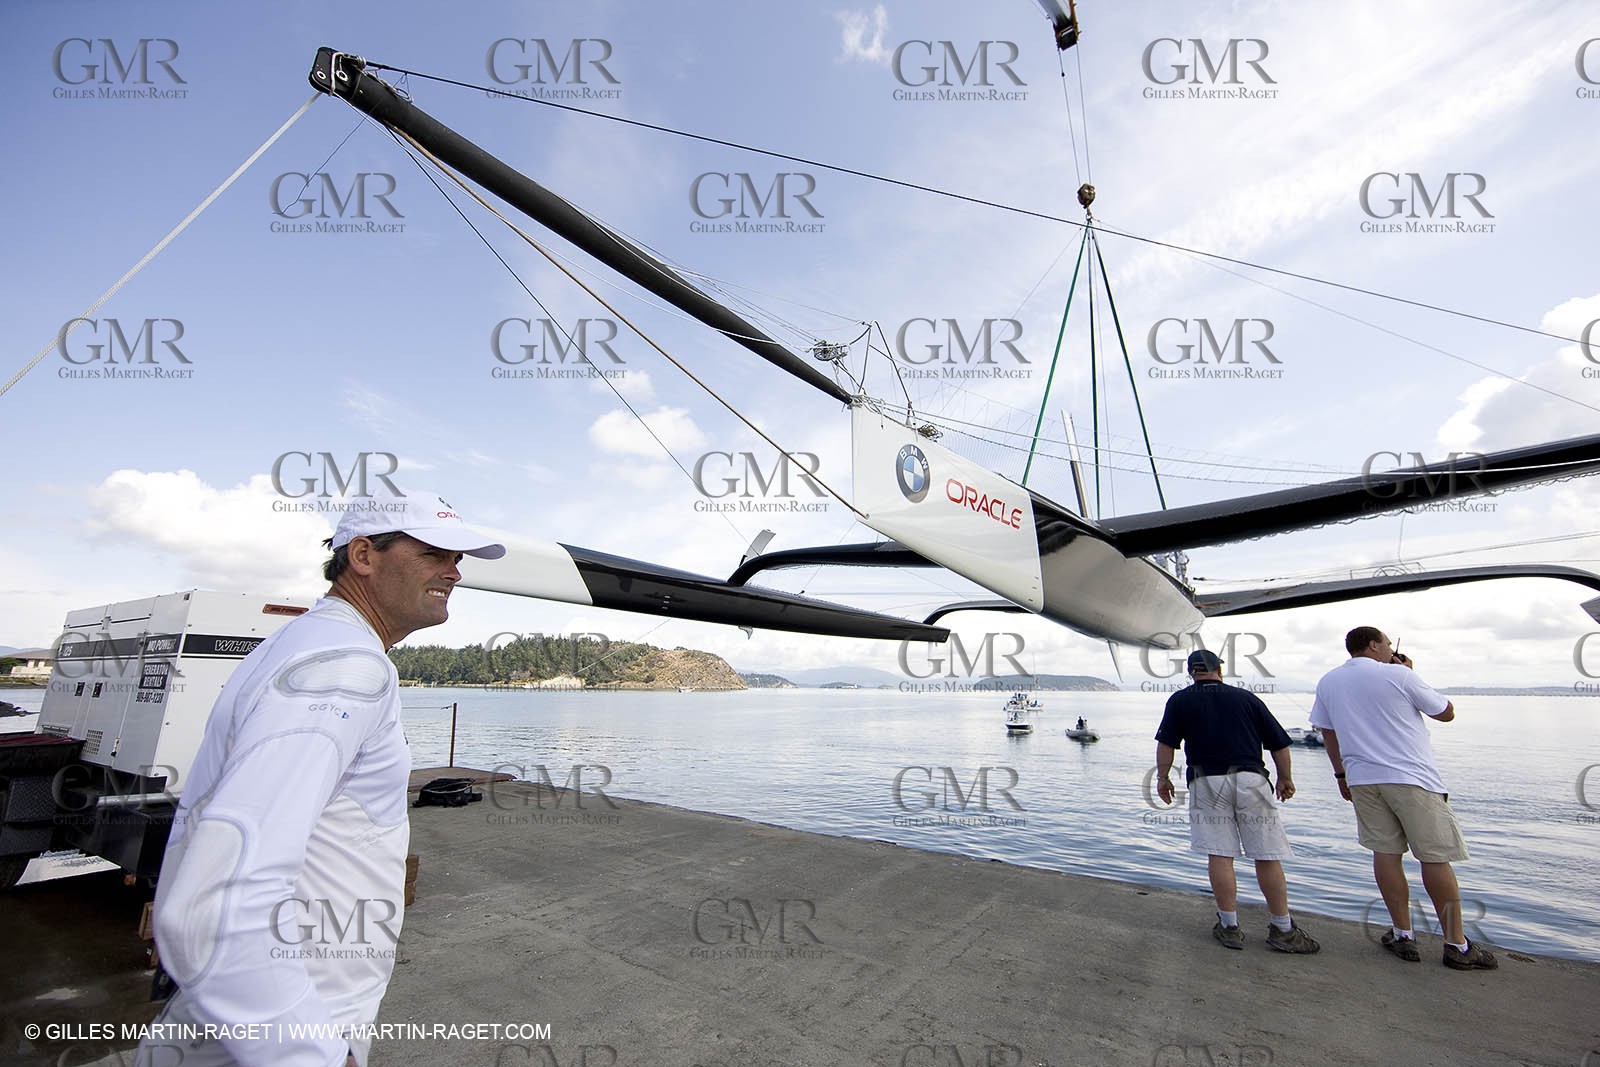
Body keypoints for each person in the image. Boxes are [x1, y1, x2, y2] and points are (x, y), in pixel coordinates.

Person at [136, 492, 506, 1066]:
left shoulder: (307, 643)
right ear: (363, 555)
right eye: (435, 553)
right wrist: (309, 1052)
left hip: (242, 1017)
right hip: (282, 1025)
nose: (454, 572)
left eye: (458, 559)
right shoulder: (343, 666)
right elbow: (216, 905)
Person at [1310, 627, 1497, 971]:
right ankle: (1457, 944)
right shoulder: (1398, 674)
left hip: (1363, 779)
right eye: (1384, 643)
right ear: (1374, 645)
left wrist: (1340, 774)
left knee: (1386, 854)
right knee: (1435, 857)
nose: (1388, 649)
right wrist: (1410, 672)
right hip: (1411, 779)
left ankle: (1402, 934)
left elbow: (1329, 733)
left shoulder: (1329, 681)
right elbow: (1446, 712)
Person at [1154, 649, 1319, 953]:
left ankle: (1229, 926)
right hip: (1251, 779)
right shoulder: (1246, 698)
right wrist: (1285, 778)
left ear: (1191, 672)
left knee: (1220, 854)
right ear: (1220, 669)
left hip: (1206, 780)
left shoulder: (1179, 700)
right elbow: (1279, 743)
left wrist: (1163, 778)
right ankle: (1283, 928)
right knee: (1267, 855)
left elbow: (1167, 745)